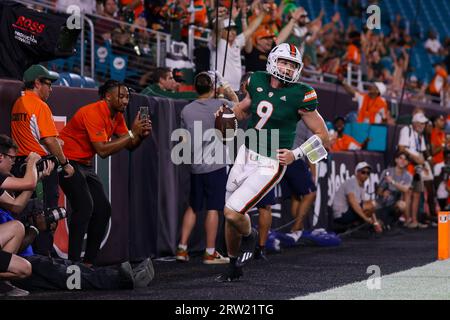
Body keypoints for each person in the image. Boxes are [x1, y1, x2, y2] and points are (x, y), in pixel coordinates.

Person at [215, 43, 329, 282]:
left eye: (292, 65)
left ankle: (250, 235)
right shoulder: (256, 80)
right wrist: (228, 113)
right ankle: (233, 266)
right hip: (246, 153)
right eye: (284, 62)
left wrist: (296, 154)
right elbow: (245, 110)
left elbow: (323, 136)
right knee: (230, 215)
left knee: (233, 212)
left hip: (270, 161)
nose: (287, 69)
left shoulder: (302, 93)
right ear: (272, 61)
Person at [0, 135, 154, 293]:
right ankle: (121, 278)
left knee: (68, 267)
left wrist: (37, 178)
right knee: (66, 273)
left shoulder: (8, 201)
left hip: (21, 259)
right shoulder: (8, 206)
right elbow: (16, 239)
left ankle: (121, 273)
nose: (14, 163)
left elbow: (18, 204)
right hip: (18, 265)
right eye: (12, 158)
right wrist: (35, 229)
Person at [58, 80, 152, 265]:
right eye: (121, 96)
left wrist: (140, 136)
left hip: (84, 164)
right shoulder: (94, 112)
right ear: (108, 97)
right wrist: (132, 133)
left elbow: (130, 145)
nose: (126, 101)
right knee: (84, 207)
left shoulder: (116, 115)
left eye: (127, 97)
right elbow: (102, 151)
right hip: (67, 162)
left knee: (103, 209)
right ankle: (73, 264)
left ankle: (88, 263)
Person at [11, 64, 75, 257]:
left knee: (28, 216)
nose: (51, 88)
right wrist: (65, 163)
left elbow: (33, 136)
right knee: (46, 217)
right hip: (41, 167)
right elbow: (48, 140)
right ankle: (43, 260)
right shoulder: (40, 105)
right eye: (48, 83)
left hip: (21, 167)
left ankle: (28, 258)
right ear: (37, 83)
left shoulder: (17, 104)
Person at [176, 71, 238, 264]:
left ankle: (182, 249)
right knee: (213, 207)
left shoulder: (186, 110)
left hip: (195, 165)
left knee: (193, 206)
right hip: (215, 165)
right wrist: (225, 88)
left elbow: (182, 138)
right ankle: (210, 252)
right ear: (212, 87)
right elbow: (239, 104)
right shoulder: (221, 104)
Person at [209, 4, 266, 91]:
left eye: (234, 29)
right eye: (228, 29)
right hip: (218, 89)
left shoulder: (237, 41)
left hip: (236, 89)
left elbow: (251, 29)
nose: (232, 32)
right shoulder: (217, 42)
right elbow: (217, 31)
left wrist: (264, 12)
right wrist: (219, 18)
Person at [398, 112, 430, 229]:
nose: (423, 126)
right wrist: (414, 157)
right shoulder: (407, 130)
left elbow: (421, 152)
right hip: (408, 165)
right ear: (414, 123)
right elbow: (401, 148)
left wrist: (423, 164)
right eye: (420, 123)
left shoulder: (420, 135)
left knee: (417, 194)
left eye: (424, 124)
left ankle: (414, 220)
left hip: (417, 167)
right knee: (408, 193)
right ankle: (407, 219)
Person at [332, 162, 381, 232]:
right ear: (357, 173)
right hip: (340, 214)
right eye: (363, 172)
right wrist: (366, 219)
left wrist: (375, 222)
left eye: (368, 173)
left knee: (372, 204)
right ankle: (356, 224)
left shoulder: (361, 186)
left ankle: (356, 225)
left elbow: (368, 207)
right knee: (372, 204)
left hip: (347, 212)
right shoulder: (351, 182)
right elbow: (353, 203)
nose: (366, 175)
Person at [376, 151, 412, 229]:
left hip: (395, 205)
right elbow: (378, 191)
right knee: (379, 226)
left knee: (402, 205)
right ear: (396, 160)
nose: (402, 161)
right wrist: (383, 193)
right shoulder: (387, 172)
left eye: (405, 159)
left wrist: (392, 182)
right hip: (383, 204)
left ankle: (399, 220)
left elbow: (406, 189)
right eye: (400, 158)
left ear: (407, 163)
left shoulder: (408, 175)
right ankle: (385, 222)